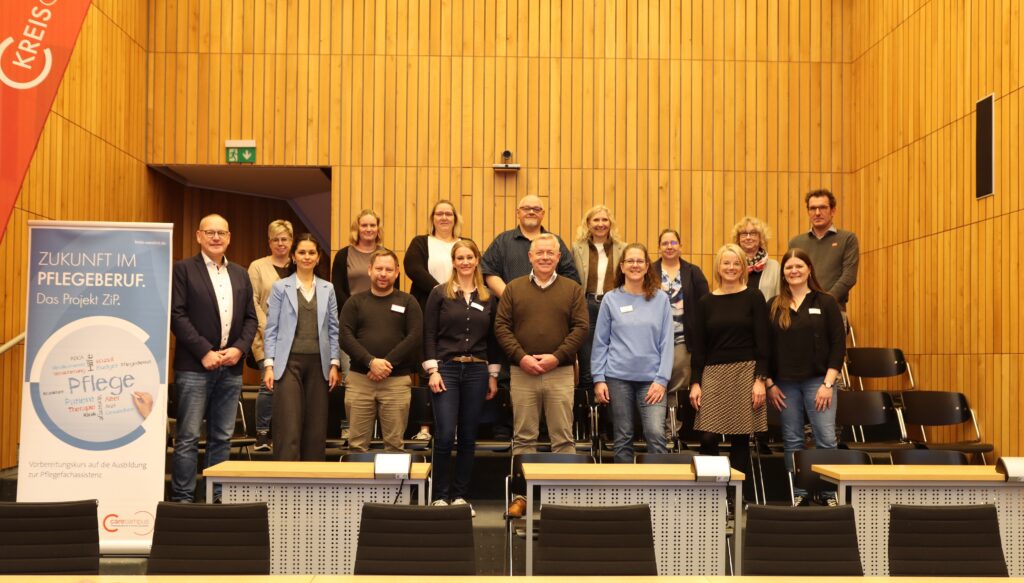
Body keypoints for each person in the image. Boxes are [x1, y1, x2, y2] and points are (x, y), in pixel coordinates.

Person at [495, 234, 588, 517]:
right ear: (530, 257)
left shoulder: (572, 289)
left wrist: (556, 357)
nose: (545, 257)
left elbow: (581, 328)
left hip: (559, 372)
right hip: (522, 372)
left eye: (551, 253)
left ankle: (563, 497)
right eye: (540, 253)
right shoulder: (514, 288)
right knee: (524, 437)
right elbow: (501, 327)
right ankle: (521, 496)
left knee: (563, 437)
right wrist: (521, 357)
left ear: (559, 257)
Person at [169, 214, 258, 502]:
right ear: (199, 236)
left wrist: (239, 349)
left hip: (230, 369)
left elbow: (250, 319)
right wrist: (204, 351)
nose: (216, 237)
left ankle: (216, 495)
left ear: (229, 237)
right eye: (210, 232)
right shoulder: (183, 270)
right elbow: (177, 315)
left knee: (222, 437)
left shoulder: (241, 274)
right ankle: (183, 498)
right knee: (188, 437)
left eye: (221, 233)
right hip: (194, 367)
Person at [480, 194, 579, 441]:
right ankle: (504, 428)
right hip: (515, 324)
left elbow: (572, 279)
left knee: (561, 435)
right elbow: (487, 271)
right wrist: (512, 297)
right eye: (527, 208)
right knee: (510, 389)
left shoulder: (557, 243)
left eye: (537, 208)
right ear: (518, 212)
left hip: (557, 362)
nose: (532, 212)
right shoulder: (503, 241)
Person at [422, 240, 501, 516]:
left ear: (477, 260)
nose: (465, 262)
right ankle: (440, 496)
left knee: (468, 437)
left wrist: (493, 375)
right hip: (446, 369)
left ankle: (460, 496)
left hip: (477, 371)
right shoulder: (439, 294)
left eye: (470, 257)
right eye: (460, 257)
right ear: (453, 261)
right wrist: (432, 370)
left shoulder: (488, 296)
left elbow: (493, 340)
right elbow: (428, 333)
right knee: (444, 435)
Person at [689, 243, 770, 501]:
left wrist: (760, 380)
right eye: (726, 263)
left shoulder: (754, 297)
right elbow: (699, 348)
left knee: (739, 438)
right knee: (708, 435)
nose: (731, 268)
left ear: (743, 267)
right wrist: (695, 382)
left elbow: (764, 342)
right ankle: (714, 493)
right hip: (713, 374)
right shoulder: (705, 302)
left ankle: (737, 496)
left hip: (746, 373)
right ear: (718, 267)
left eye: (736, 263)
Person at [766, 248, 845, 506]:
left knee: (825, 438)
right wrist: (770, 384)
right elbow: (764, 348)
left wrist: (827, 384)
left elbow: (838, 345)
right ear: (783, 273)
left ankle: (828, 493)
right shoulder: (775, 305)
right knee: (793, 439)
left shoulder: (825, 302)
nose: (794, 271)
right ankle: (798, 493)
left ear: (809, 269)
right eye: (789, 267)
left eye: (799, 266)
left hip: (819, 382)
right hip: (785, 384)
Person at [592, 244, 673, 463]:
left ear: (647, 267)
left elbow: (667, 343)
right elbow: (600, 342)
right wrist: (598, 378)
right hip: (617, 379)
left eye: (640, 261)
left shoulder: (661, 300)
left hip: (652, 381)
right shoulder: (610, 299)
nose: (635, 265)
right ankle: (623, 496)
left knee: (656, 434)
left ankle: (659, 495)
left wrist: (662, 380)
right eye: (630, 261)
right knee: (623, 436)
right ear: (622, 266)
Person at [262, 234, 341, 461]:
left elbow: (333, 329)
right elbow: (272, 329)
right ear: (294, 257)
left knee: (316, 429)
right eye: (302, 252)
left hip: (320, 364)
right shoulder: (280, 287)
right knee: (289, 427)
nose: (307, 257)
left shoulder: (328, 288)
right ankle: (285, 487)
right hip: (288, 364)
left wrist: (334, 363)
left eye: (312, 253)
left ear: (318, 258)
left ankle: (313, 488)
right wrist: (269, 365)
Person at [339, 249, 422, 452]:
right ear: (369, 270)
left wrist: (385, 364)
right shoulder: (355, 302)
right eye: (378, 268)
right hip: (360, 380)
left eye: (388, 269)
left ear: (397, 273)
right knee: (357, 445)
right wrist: (370, 362)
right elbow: (344, 336)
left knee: (395, 446)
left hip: (396, 381)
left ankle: (392, 485)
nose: (383, 273)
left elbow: (415, 337)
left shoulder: (408, 302)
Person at [404, 199, 463, 441]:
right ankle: (424, 427)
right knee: (425, 365)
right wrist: (442, 291)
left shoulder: (462, 244)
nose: (444, 218)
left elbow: (470, 271)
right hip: (426, 307)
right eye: (439, 213)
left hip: (457, 311)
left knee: (452, 366)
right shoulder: (421, 242)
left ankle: (451, 426)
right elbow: (413, 268)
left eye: (449, 214)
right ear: (432, 218)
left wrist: (452, 297)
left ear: (455, 218)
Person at [651, 229, 709, 444]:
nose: (669, 246)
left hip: (683, 339)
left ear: (680, 246)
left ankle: (672, 432)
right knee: (657, 385)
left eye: (673, 242)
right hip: (653, 342)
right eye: (664, 243)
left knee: (676, 386)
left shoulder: (693, 272)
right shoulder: (650, 271)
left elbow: (705, 305)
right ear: (659, 248)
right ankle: (656, 432)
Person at [247, 219, 295, 452]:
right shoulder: (257, 266)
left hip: (296, 339)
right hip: (265, 335)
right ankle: (262, 435)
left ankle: (284, 433)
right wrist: (267, 328)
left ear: (291, 241)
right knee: (270, 383)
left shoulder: (299, 264)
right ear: (269, 242)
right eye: (275, 239)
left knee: (289, 386)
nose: (280, 243)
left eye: (284, 239)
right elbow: (252, 300)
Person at [571, 205, 625, 397]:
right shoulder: (577, 248)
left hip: (615, 306)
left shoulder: (623, 249)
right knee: (587, 359)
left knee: (614, 357)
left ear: (610, 224)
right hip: (587, 305)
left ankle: (608, 417)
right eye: (596, 220)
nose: (600, 224)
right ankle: (588, 417)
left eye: (604, 220)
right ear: (588, 224)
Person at [787, 189, 859, 314]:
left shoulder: (847, 239)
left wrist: (825, 302)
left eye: (822, 208)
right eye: (812, 208)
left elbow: (849, 277)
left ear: (833, 211)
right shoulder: (795, 243)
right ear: (808, 212)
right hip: (800, 310)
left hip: (833, 310)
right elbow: (790, 276)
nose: (817, 213)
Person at [733, 216, 780, 300]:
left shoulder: (774, 267)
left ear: (760, 237)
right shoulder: (732, 265)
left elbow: (779, 296)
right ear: (738, 239)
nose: (748, 237)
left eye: (753, 233)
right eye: (744, 234)